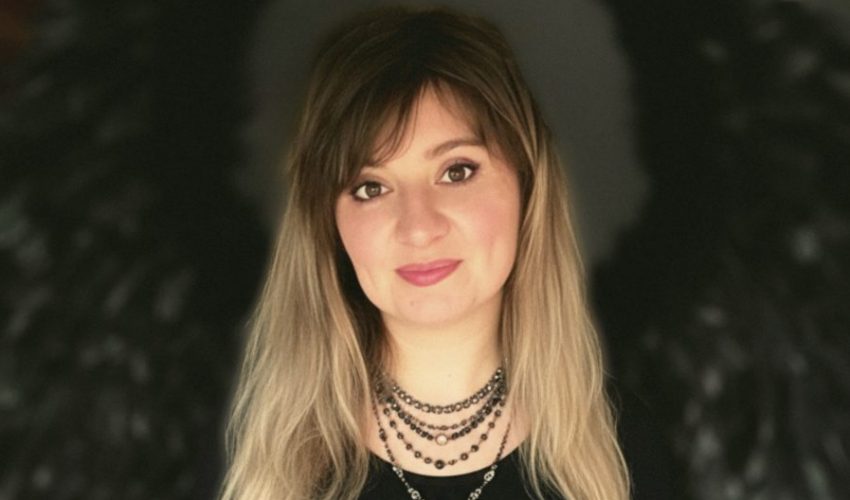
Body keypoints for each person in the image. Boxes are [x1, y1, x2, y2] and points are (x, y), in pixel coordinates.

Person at [220, 6, 630, 500]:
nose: (418, 228)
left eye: (457, 171)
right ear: (327, 223)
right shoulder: (251, 467)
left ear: (528, 186)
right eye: (371, 187)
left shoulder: (627, 453)